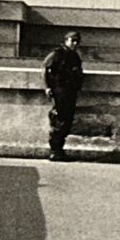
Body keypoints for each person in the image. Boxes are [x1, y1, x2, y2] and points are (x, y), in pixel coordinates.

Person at [41, 31, 84, 159]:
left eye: (77, 41)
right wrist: (47, 87)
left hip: (70, 92)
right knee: (59, 120)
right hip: (59, 91)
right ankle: (55, 151)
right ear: (66, 40)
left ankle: (59, 150)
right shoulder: (57, 54)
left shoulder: (74, 56)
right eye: (72, 40)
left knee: (67, 121)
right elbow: (44, 69)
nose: (75, 43)